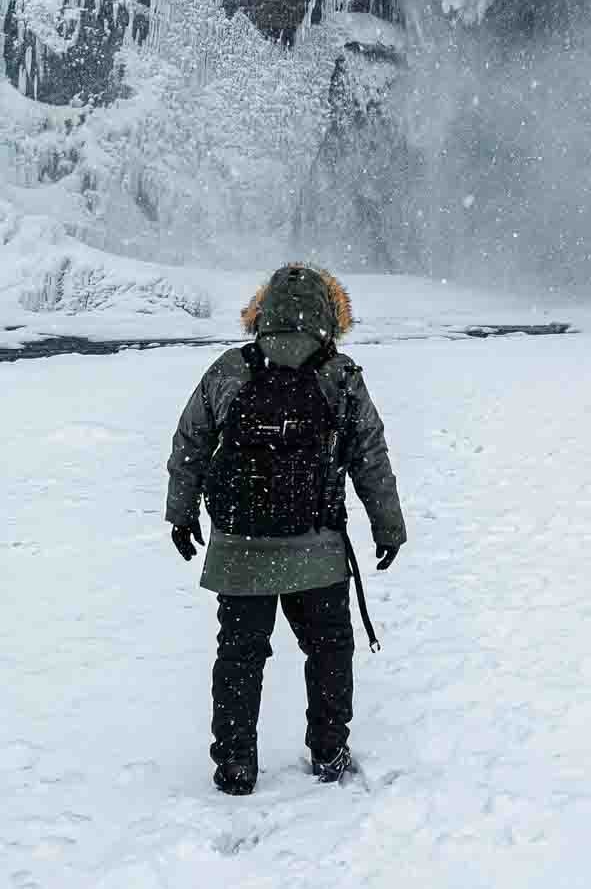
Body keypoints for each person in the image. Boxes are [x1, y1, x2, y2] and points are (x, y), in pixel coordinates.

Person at [165, 262, 407, 795]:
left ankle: (234, 765)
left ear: (262, 312)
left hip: (239, 547)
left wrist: (180, 514)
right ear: (329, 315)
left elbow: (190, 445)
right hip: (316, 546)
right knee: (328, 648)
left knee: (240, 653)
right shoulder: (340, 375)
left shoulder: (229, 369)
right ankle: (328, 751)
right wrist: (388, 525)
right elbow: (370, 455)